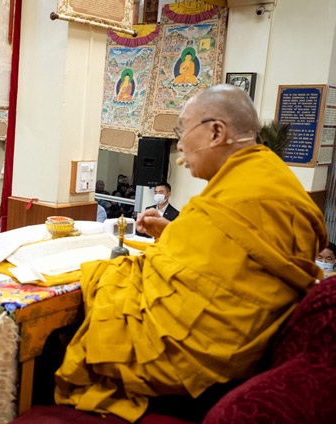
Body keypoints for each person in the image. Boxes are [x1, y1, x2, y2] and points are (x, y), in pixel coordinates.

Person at [55, 85, 327, 422]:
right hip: (248, 355)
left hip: (204, 367)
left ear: (216, 132)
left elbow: (220, 272)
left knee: (107, 280)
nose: (180, 144)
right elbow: (234, 256)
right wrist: (174, 233)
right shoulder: (271, 177)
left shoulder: (245, 191)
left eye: (183, 130)